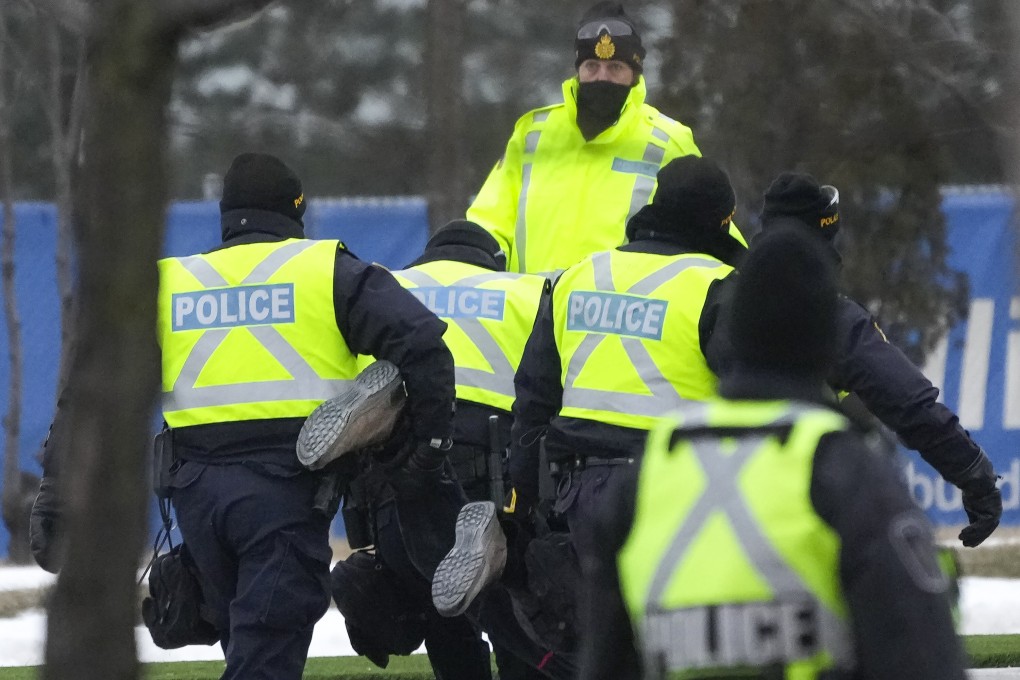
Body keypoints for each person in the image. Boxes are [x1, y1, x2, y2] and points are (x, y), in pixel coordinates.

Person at [579, 228, 967, 680]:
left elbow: (601, 662)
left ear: (735, 333)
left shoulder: (651, 470)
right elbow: (921, 656)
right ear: (825, 344)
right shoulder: (845, 469)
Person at [154, 152, 458, 680]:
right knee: (267, 648)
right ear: (294, 215)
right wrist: (424, 448)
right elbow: (424, 343)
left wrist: (56, 489)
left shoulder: (172, 282)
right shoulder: (326, 269)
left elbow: (92, 373)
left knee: (244, 638)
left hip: (194, 494)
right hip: (285, 488)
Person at [432, 155, 747, 630]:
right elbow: (754, 396)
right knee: (680, 634)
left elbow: (533, 399)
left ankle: (514, 558)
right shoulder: (720, 289)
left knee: (591, 634)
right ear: (722, 221)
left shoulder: (577, 276)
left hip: (581, 488)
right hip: (681, 487)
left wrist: (523, 498)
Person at [703, 172, 1002, 548]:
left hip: (701, 495)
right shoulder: (832, 316)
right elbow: (907, 402)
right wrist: (974, 473)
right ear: (824, 238)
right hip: (798, 503)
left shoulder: (711, 299)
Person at [390, 220, 570, 679]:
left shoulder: (392, 287)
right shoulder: (529, 291)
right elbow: (550, 389)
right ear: (495, 264)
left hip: (410, 474)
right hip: (495, 476)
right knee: (515, 603)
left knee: (442, 606)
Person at [466, 1, 708, 275]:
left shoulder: (669, 142)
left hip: (622, 314)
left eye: (615, 67)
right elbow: (488, 224)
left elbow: (710, 236)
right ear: (578, 70)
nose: (601, 77)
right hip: (530, 312)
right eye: (592, 66)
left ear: (635, 74)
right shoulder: (532, 135)